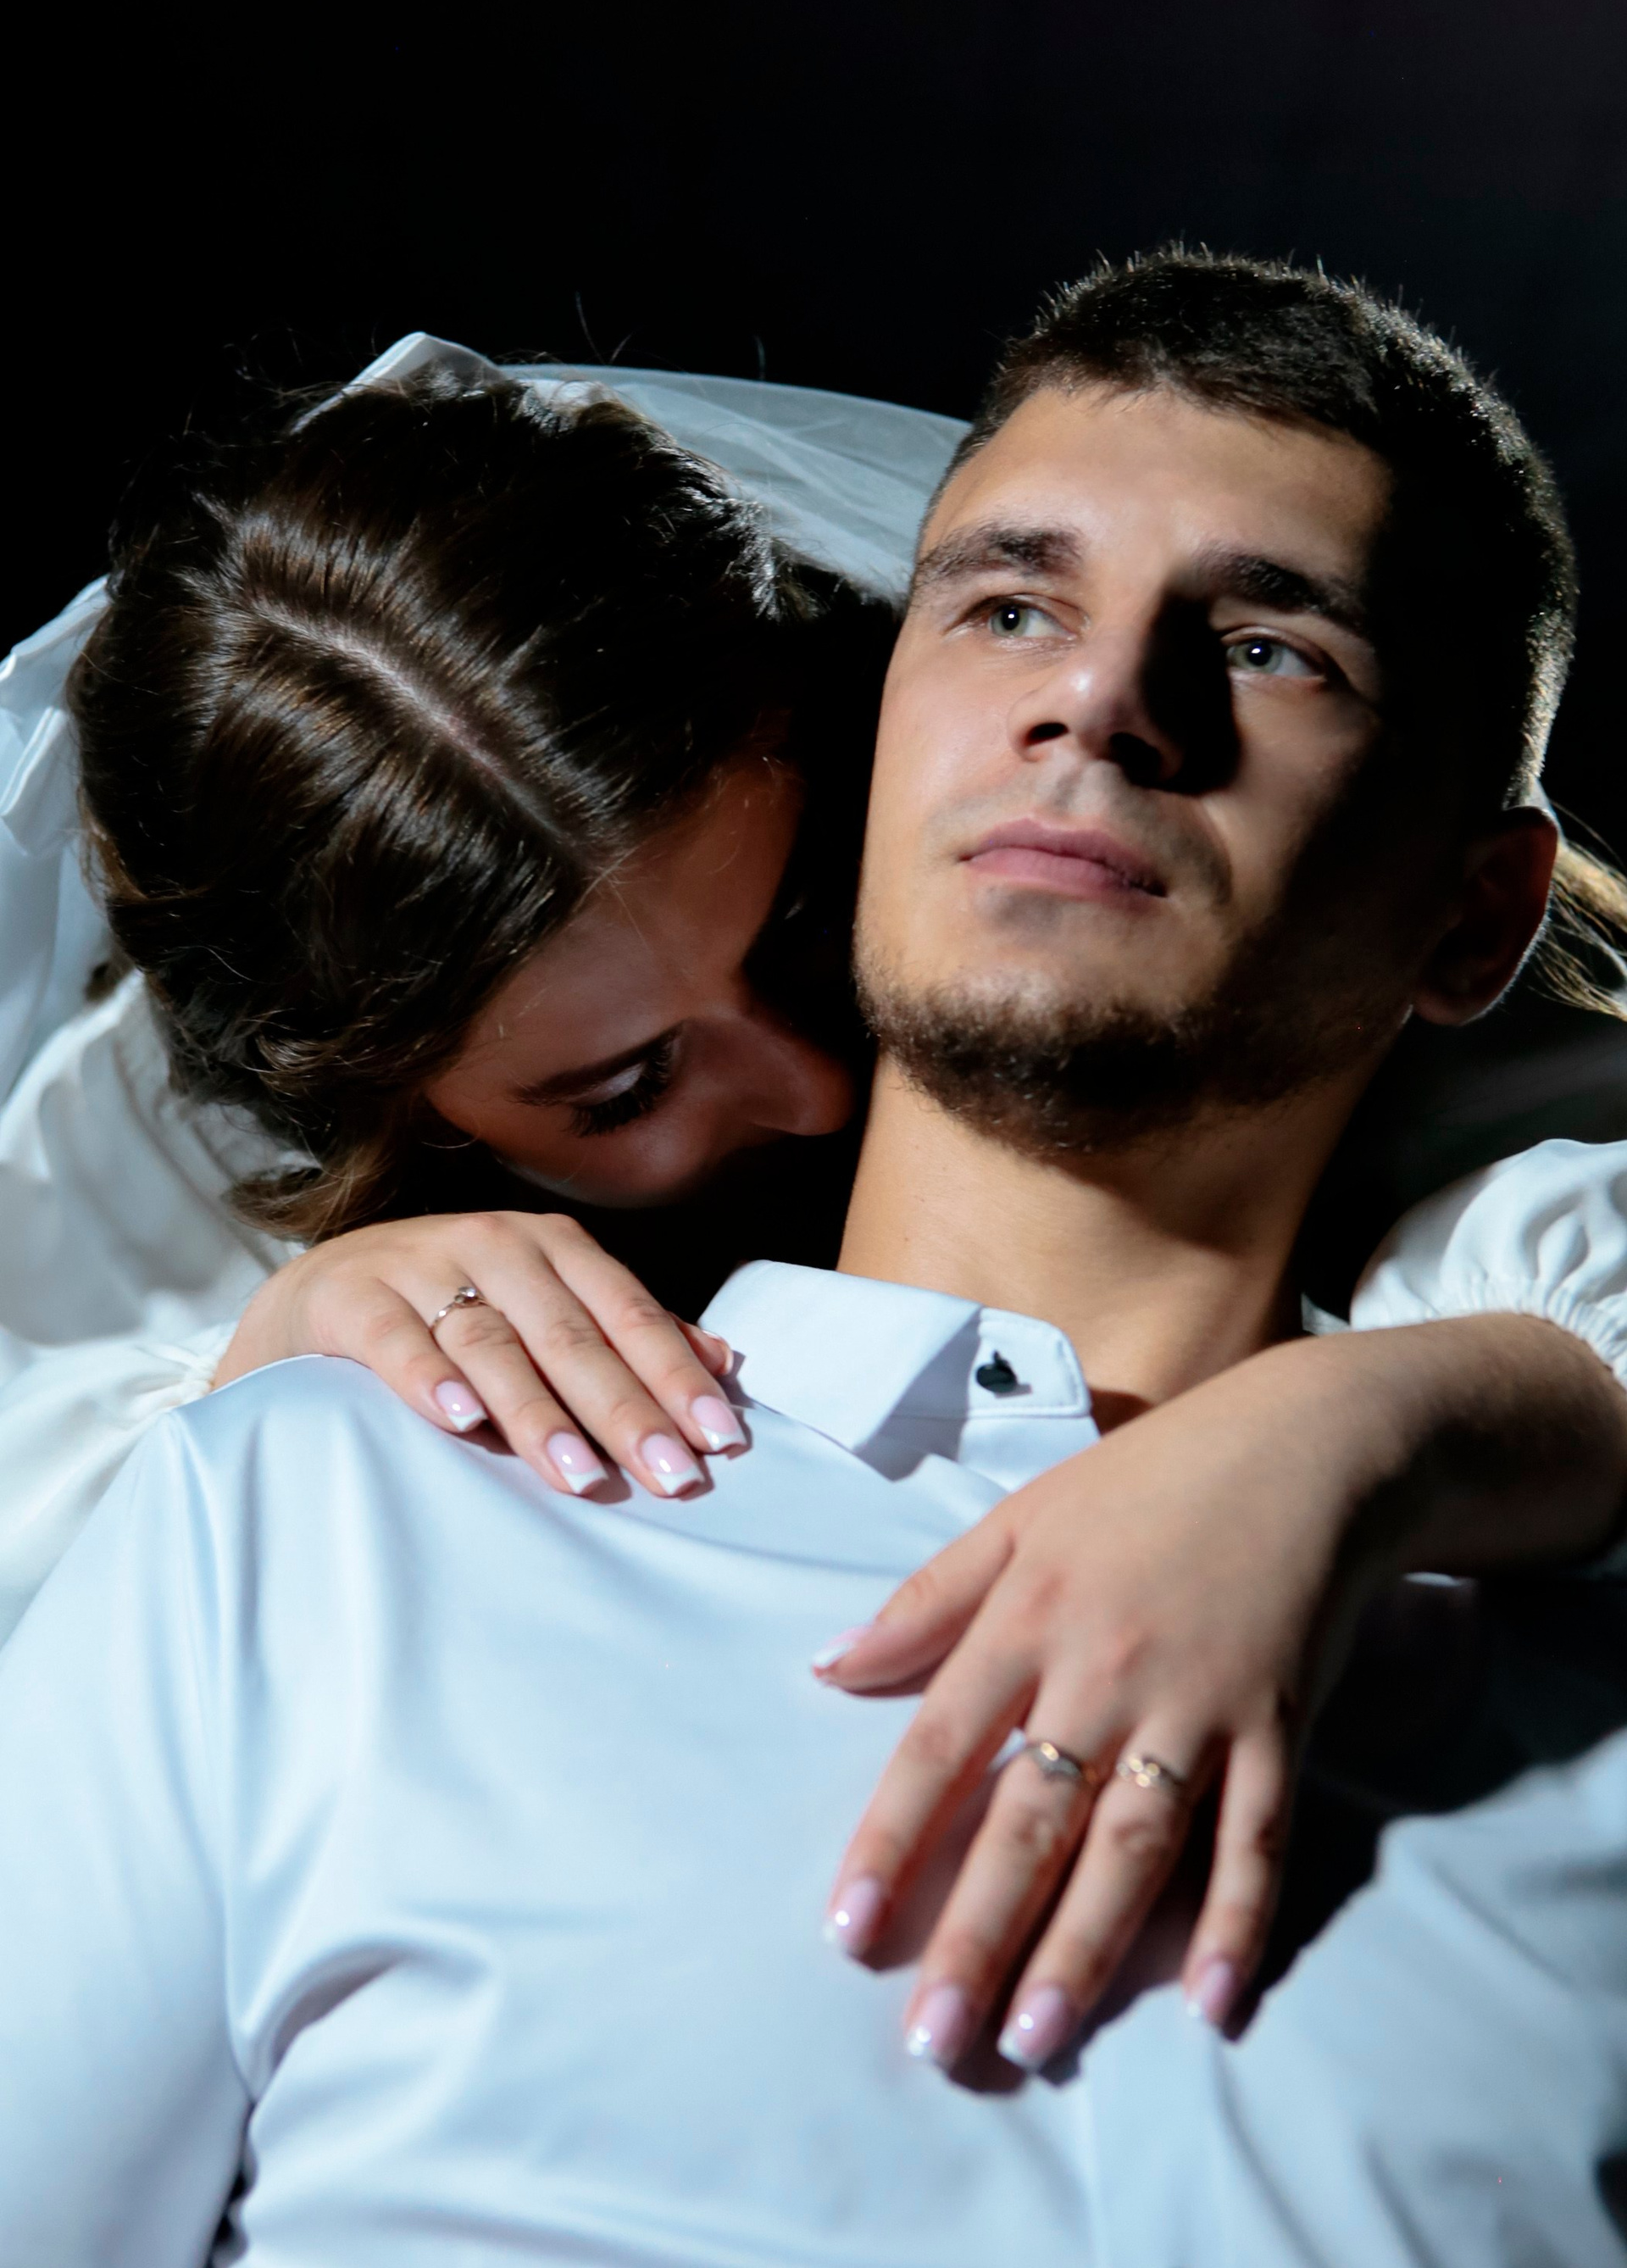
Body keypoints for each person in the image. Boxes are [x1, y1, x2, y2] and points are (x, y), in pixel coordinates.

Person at [1, 253, 1624, 2264]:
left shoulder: (1552, 1517)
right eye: (1014, 606)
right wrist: (285, 1370)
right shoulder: (307, 1516)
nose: (1101, 699)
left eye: (1276, 647)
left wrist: (1371, 1432)